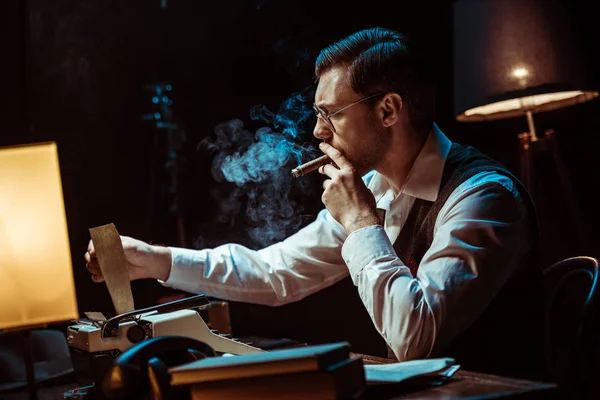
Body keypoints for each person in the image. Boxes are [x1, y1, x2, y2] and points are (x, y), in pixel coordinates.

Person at [85, 27, 544, 379]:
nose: (318, 132)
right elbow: (275, 273)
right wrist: (155, 260)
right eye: (317, 114)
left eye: (331, 114)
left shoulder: (484, 197)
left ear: (388, 110)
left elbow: (414, 340)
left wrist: (363, 223)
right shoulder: (378, 187)